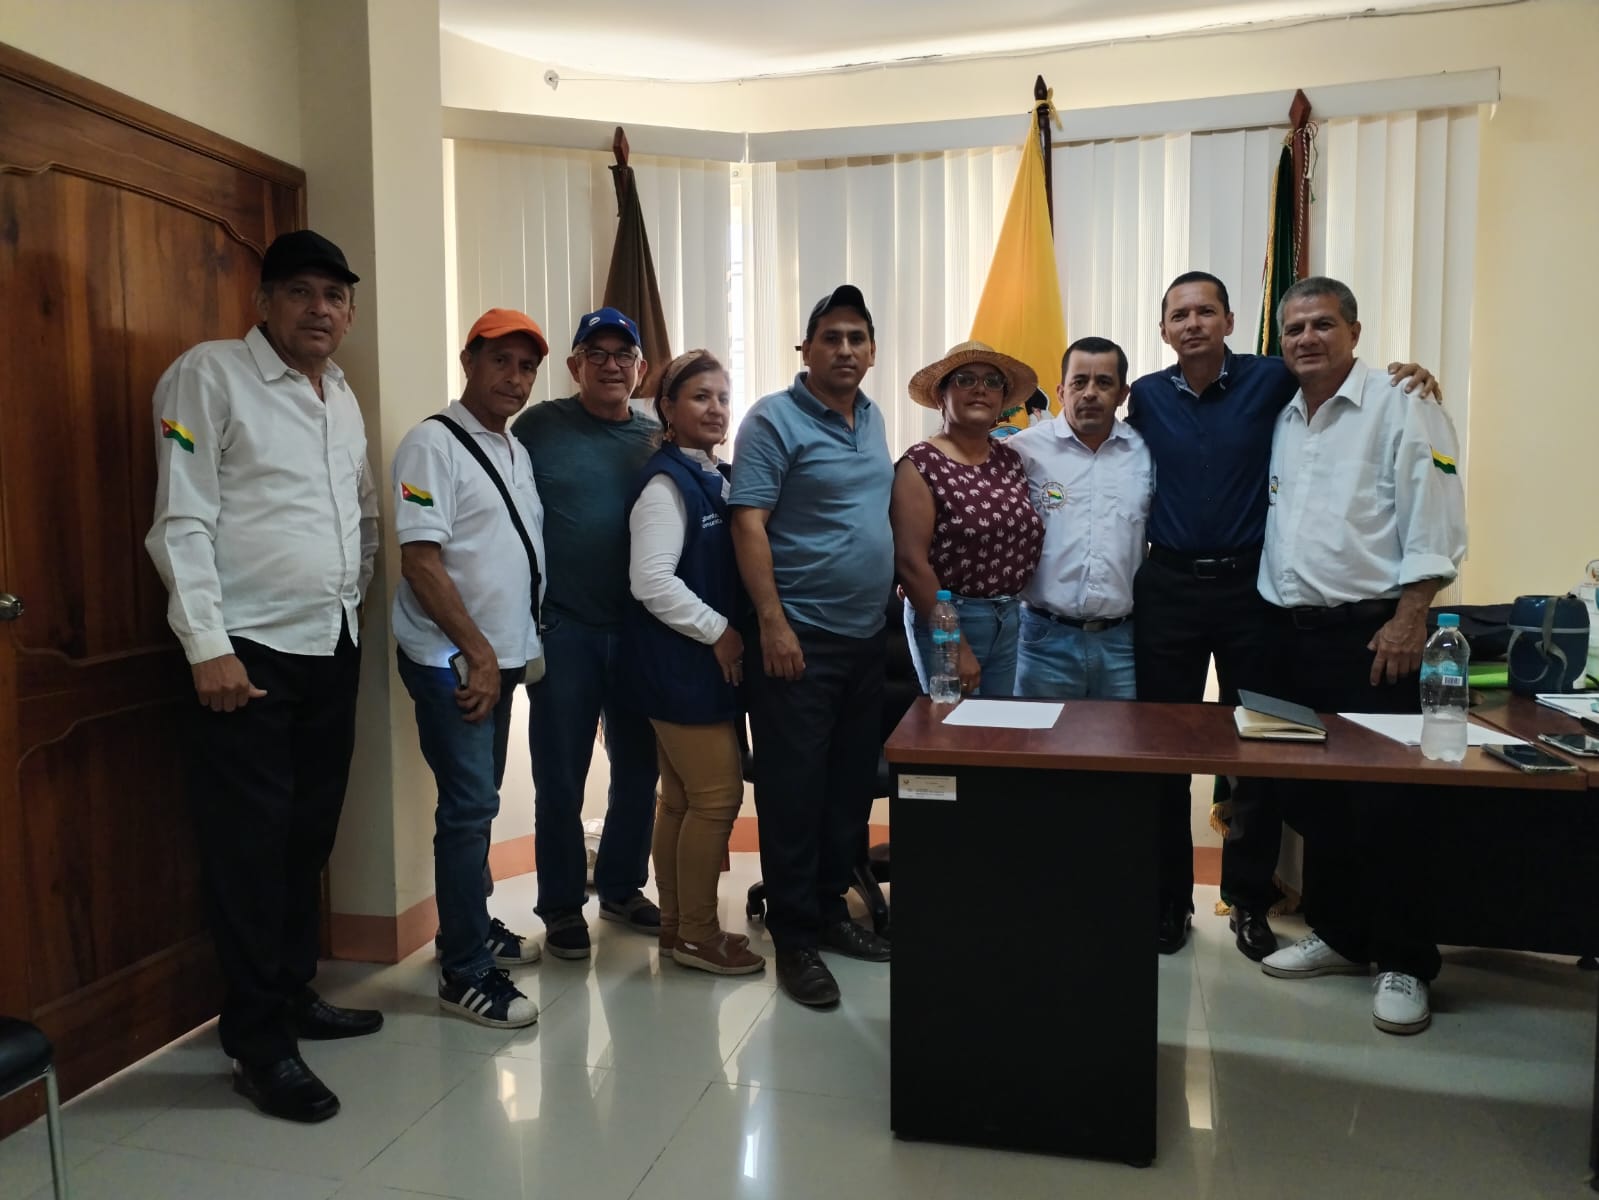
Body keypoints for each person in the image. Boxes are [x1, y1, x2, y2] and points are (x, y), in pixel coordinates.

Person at [1128, 271, 1439, 959]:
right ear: (1163, 329)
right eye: (1179, 315)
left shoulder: (1273, 379)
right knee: (1162, 750)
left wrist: (1414, 376)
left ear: (1230, 321)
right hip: (1169, 590)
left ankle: (1248, 900)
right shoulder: (1145, 395)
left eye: (1206, 311)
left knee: (1259, 751)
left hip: (1251, 593)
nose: (1192, 324)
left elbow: (1351, 382)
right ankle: (1166, 901)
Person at [146, 230, 382, 1124]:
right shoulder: (208, 376)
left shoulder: (341, 395)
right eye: (300, 292)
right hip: (245, 653)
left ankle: (289, 993)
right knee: (248, 850)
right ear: (264, 303)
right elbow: (181, 518)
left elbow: (361, 514)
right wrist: (206, 644)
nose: (320, 309)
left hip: (331, 644)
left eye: (335, 296)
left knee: (305, 838)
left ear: (349, 313)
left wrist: (349, 601)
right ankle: (255, 1041)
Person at [1254, 276, 1466, 1036]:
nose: (1306, 339)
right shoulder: (1283, 414)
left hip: (1373, 638)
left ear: (1354, 330)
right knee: (1311, 798)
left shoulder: (1405, 403)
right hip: (1287, 637)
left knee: (1387, 804)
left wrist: (1411, 618)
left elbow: (1436, 519)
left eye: (1322, 325)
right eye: (1293, 329)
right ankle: (1344, 935)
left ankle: (1404, 960)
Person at [730, 284, 895, 1008]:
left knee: (846, 792)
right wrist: (771, 623)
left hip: (865, 640)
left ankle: (830, 913)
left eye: (857, 338)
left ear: (872, 351)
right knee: (794, 795)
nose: (845, 350)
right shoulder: (772, 419)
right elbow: (748, 524)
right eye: (831, 337)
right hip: (798, 640)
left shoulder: (873, 417)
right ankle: (794, 938)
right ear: (805, 349)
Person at [391, 308, 551, 1030]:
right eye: (500, 361)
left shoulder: (513, 449)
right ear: (469, 362)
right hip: (452, 660)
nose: (514, 378)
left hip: (501, 658)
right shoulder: (432, 444)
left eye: (526, 367)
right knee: (467, 810)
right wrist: (479, 655)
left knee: (477, 802)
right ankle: (464, 971)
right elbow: (420, 561)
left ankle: (472, 925)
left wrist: (511, 650)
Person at [510, 308, 661, 960]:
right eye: (595, 353)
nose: (610, 365)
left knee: (638, 771)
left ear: (640, 369)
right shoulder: (538, 427)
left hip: (639, 634)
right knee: (560, 778)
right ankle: (562, 906)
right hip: (564, 629)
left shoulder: (657, 435)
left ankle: (623, 888)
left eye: (622, 354)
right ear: (574, 366)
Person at [625, 349, 765, 976]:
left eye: (723, 398)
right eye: (700, 397)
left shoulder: (715, 474)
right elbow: (651, 581)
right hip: (679, 666)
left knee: (681, 800)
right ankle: (700, 935)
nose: (716, 409)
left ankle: (677, 928)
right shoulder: (665, 485)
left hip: (693, 665)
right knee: (716, 797)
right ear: (668, 408)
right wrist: (720, 632)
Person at [892, 341, 1044, 697]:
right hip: (950, 619)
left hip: (1010, 619)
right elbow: (911, 564)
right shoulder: (920, 464)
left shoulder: (1010, 460)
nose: (980, 389)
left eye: (993, 382)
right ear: (941, 396)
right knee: (953, 727)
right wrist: (954, 643)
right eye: (965, 379)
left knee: (996, 728)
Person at [1010, 337, 1151, 701]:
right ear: (1061, 391)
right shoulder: (1022, 450)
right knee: (1040, 738)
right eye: (1079, 382)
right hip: (1043, 642)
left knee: (1122, 738)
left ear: (1122, 394)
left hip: (1122, 645)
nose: (1090, 393)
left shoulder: (1144, 453)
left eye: (1103, 382)